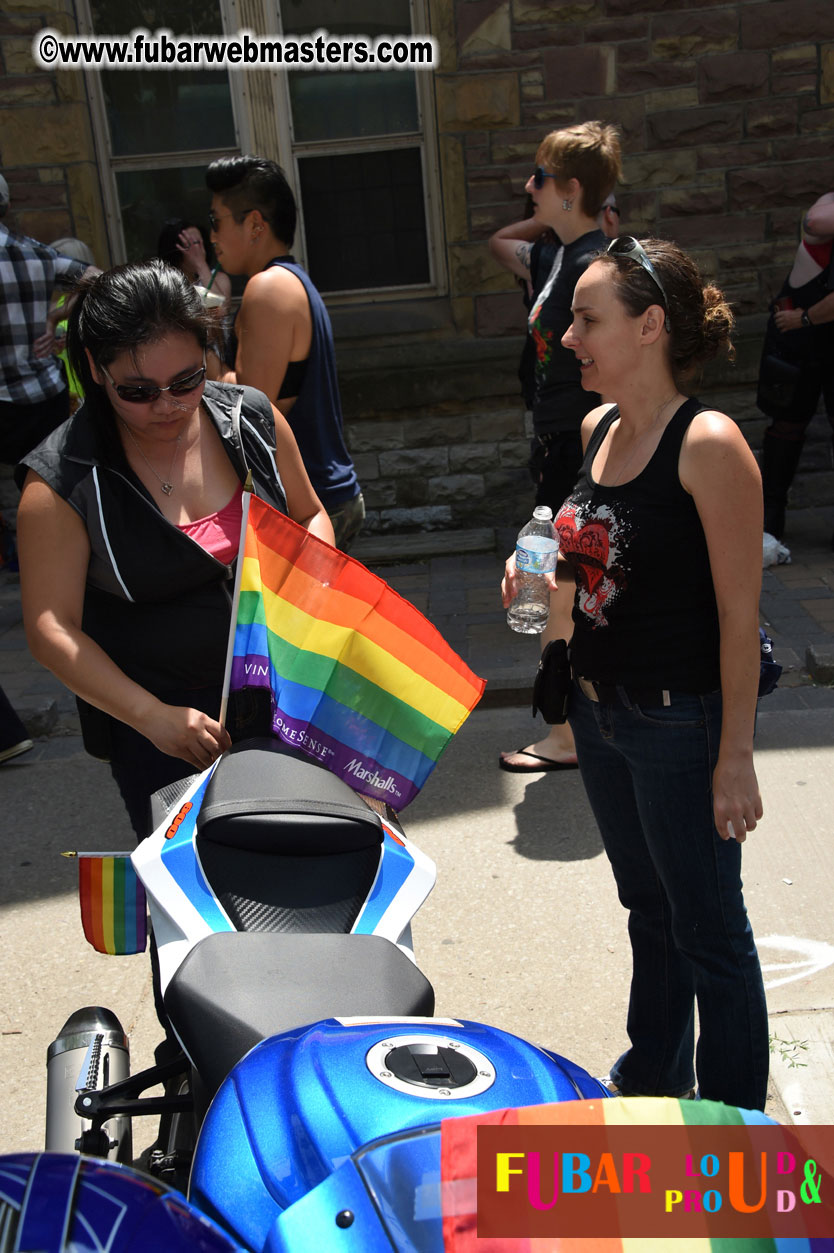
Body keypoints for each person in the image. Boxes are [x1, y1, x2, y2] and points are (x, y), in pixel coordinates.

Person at [504, 235, 769, 1110]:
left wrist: (735, 755)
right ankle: (655, 1075)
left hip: (676, 724)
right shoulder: (599, 426)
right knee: (648, 912)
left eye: (587, 319)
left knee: (710, 932)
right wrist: (539, 580)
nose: (568, 337)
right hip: (601, 716)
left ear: (650, 324)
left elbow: (740, 616)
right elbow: (588, 568)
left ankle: (733, 1125)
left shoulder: (710, 444)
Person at [16, 260, 333, 840]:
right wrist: (151, 718)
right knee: (197, 904)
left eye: (187, 381)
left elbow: (309, 514)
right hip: (163, 725)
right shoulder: (62, 481)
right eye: (137, 391)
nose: (168, 405)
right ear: (95, 368)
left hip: (286, 690)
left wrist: (313, 590)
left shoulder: (251, 418)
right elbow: (50, 627)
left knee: (312, 865)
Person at [488, 122, 622, 773]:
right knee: (560, 582)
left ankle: (568, 732)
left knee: (558, 582)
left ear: (570, 189)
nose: (527, 186)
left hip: (581, 443)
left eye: (540, 177)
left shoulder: (598, 265)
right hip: (560, 442)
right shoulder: (562, 255)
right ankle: (576, 726)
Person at [204, 155, 365, 551]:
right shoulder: (290, 280)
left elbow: (248, 412)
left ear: (255, 223)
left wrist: (200, 344)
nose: (212, 237)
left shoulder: (269, 288)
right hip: (321, 497)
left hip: (307, 506)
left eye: (216, 221)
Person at [0, 174, 95, 465]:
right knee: (51, 482)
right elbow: (97, 278)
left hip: (4, 398)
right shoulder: (37, 252)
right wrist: (60, 313)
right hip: (45, 394)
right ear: (7, 205)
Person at [757, 192, 834, 543]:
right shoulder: (828, 207)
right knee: (786, 426)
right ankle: (770, 521)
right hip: (795, 338)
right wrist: (803, 319)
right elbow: (815, 222)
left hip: (811, 329)